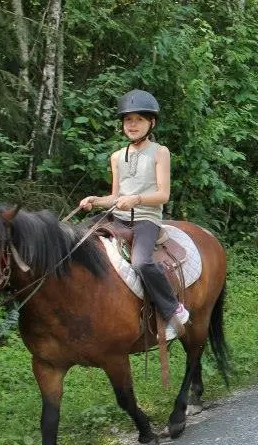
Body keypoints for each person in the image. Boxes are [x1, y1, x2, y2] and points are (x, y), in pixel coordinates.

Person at [79, 89, 189, 341]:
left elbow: (163, 195)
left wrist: (137, 199)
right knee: (78, 240)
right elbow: (115, 195)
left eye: (139, 119)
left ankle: (173, 309)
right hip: (116, 216)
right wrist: (96, 201)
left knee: (141, 262)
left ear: (152, 122)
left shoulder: (160, 152)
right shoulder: (117, 156)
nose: (133, 125)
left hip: (145, 220)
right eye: (128, 120)